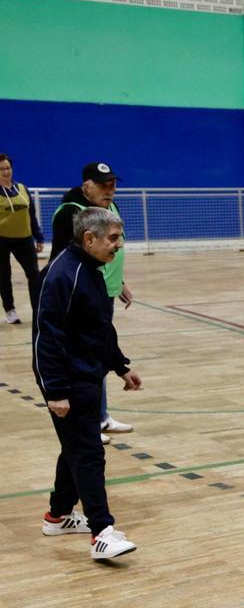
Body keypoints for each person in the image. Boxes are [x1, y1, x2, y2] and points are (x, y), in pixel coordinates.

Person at [33, 207, 143, 561]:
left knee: (75, 445)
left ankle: (59, 515)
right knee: (88, 451)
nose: (118, 245)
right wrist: (56, 391)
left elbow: (99, 328)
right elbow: (46, 338)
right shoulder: (62, 275)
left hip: (87, 373)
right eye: (112, 238)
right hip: (69, 378)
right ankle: (102, 532)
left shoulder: (92, 270)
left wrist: (120, 366)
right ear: (89, 238)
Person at [49, 161, 135, 442]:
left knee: (99, 352)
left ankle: (101, 416)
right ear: (87, 186)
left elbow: (110, 250)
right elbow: (71, 261)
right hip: (81, 297)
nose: (109, 190)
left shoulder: (108, 208)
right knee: (83, 356)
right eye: (102, 185)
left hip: (102, 291)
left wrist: (118, 282)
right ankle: (89, 422)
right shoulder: (72, 214)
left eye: (112, 184)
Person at [0, 153, 44, 324]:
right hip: (1, 240)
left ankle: (38, 308)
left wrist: (38, 237)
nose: (5, 172)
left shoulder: (22, 189)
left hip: (24, 239)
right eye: (2, 169)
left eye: (8, 168)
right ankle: (10, 310)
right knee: (4, 276)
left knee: (34, 274)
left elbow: (31, 215)